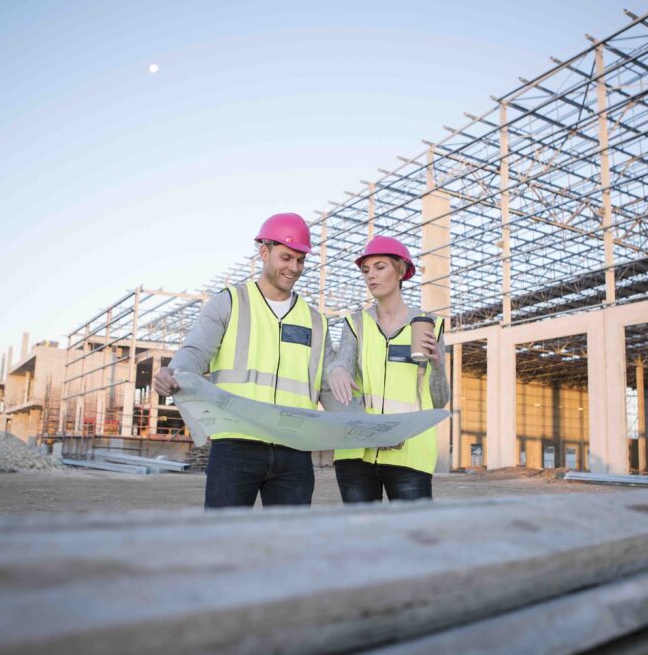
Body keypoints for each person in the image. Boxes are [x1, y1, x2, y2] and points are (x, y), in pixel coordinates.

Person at [153, 213, 336, 509]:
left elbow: (328, 387)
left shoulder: (316, 321)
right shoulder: (229, 302)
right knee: (224, 541)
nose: (294, 268)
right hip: (235, 448)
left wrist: (366, 428)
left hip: (294, 451)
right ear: (264, 252)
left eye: (300, 260)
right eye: (286, 258)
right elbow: (196, 350)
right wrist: (175, 372)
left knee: (289, 545)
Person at [327, 235, 450, 502]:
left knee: (410, 538)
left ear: (401, 271)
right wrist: (335, 369)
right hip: (357, 452)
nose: (371, 275)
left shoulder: (429, 326)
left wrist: (437, 365)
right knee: (362, 538)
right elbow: (342, 368)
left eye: (380, 267)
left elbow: (439, 400)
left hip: (409, 453)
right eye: (366, 270)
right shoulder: (356, 324)